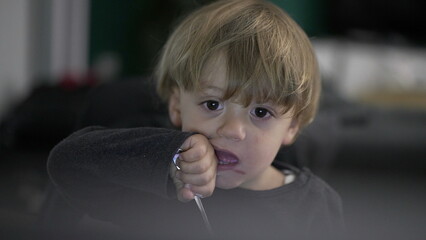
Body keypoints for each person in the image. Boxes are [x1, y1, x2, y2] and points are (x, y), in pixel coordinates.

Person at [47, 0, 344, 239]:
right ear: (176, 107)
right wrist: (168, 157)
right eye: (212, 104)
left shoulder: (315, 204)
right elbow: (65, 165)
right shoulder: (163, 189)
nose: (232, 131)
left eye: (261, 112)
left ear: (292, 126)